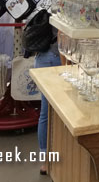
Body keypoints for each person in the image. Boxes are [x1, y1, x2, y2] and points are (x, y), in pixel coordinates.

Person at [34, 28, 61, 175]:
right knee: (63, 111)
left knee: (45, 112)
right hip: (56, 56)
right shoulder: (61, 5)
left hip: (42, 57)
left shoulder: (41, 4)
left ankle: (45, 161)